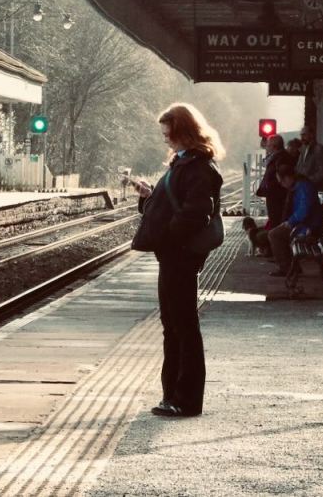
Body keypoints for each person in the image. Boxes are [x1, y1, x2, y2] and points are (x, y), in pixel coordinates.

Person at [130, 103, 225, 417]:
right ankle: (172, 394)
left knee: (183, 325)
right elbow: (175, 205)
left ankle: (186, 399)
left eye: (168, 133)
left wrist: (169, 236)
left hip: (180, 255)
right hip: (172, 254)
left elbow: (195, 213)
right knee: (172, 325)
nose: (165, 139)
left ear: (185, 132)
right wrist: (150, 197)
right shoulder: (183, 163)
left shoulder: (199, 167)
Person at [267, 162, 323, 278]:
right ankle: (291, 266)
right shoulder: (300, 185)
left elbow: (304, 210)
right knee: (276, 233)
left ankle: (286, 268)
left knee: (274, 235)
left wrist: (290, 222)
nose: (282, 184)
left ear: (288, 178)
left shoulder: (303, 188)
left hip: (307, 226)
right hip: (305, 224)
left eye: (282, 181)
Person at [256, 134, 291, 228]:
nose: (266, 148)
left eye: (268, 145)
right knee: (274, 220)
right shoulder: (277, 157)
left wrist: (269, 187)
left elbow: (280, 176)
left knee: (276, 220)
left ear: (274, 147)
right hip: (274, 195)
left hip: (277, 196)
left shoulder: (281, 158)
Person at [294, 124, 323, 191]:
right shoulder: (303, 150)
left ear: (311, 135)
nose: (302, 138)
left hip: (315, 189)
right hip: (304, 187)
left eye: (304, 135)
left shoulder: (319, 149)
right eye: (301, 135)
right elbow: (299, 167)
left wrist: (309, 180)